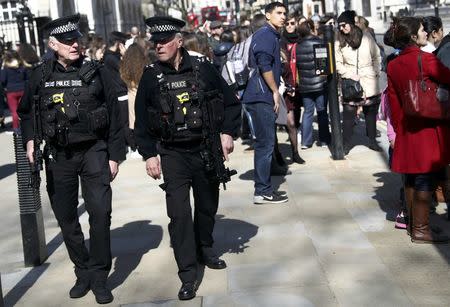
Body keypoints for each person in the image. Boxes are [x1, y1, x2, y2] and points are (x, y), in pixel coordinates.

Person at [17, 14, 125, 303]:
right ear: (53, 44)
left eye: (77, 39)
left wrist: (115, 154)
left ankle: (100, 276)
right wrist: (30, 139)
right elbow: (26, 112)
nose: (75, 44)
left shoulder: (97, 71)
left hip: (94, 151)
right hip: (59, 155)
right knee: (66, 218)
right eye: (67, 41)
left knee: (100, 214)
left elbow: (116, 114)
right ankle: (83, 270)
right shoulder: (40, 75)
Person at [134, 16, 241, 300]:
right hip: (172, 154)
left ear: (179, 42)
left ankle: (205, 247)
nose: (158, 46)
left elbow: (231, 103)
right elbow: (141, 123)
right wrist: (148, 155)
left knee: (207, 207)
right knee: (179, 215)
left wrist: (228, 132)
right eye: (155, 42)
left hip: (206, 149)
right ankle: (188, 274)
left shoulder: (204, 69)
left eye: (164, 41)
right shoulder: (150, 76)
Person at [384, 16, 450, 243]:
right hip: (428, 128)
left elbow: (394, 104)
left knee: (411, 177)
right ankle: (421, 230)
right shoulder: (427, 59)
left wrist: (398, 129)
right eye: (422, 30)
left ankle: (415, 226)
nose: (426, 33)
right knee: (424, 177)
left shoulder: (392, 64)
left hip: (407, 128)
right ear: (413, 36)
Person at [241, 1, 289, 204]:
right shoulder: (266, 35)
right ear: (268, 15)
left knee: (265, 143)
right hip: (261, 96)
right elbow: (264, 64)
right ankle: (263, 191)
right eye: (278, 13)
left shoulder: (270, 35)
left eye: (284, 13)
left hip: (259, 95)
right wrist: (275, 90)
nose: (283, 16)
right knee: (265, 144)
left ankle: (263, 189)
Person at [335, 10, 382, 155]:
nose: (342, 28)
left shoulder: (367, 37)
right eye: (340, 26)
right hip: (350, 82)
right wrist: (349, 74)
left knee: (370, 113)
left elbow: (377, 56)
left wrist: (375, 72)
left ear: (351, 23)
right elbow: (337, 62)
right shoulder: (339, 40)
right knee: (348, 114)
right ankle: (346, 143)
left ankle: (372, 141)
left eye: (344, 25)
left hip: (369, 80)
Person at [296, 19, 331, 149]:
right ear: (311, 29)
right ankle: (324, 140)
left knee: (308, 112)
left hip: (305, 86)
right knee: (322, 112)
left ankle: (306, 142)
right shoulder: (319, 43)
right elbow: (323, 68)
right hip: (320, 85)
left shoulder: (297, 46)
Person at [280, 12, 305, 163]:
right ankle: (284, 155)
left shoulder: (301, 40)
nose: (289, 26)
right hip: (284, 85)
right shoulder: (280, 41)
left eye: (292, 23)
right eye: (287, 24)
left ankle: (295, 153)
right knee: (288, 122)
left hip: (299, 83)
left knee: (295, 119)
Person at [103, 31, 131, 150]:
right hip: (120, 93)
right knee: (125, 121)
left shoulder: (110, 56)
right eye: (123, 43)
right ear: (119, 43)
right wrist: (125, 56)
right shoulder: (110, 57)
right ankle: (130, 145)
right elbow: (126, 70)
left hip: (121, 91)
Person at [119, 43, 149, 156]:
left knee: (133, 121)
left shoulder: (125, 66)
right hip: (142, 93)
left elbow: (122, 76)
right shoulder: (144, 64)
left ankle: (135, 146)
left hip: (131, 94)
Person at [1, 50, 27, 132]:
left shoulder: (6, 67)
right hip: (22, 89)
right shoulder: (22, 65)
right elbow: (26, 78)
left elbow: (2, 80)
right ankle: (25, 126)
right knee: (23, 109)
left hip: (11, 91)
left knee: (14, 111)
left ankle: (16, 128)